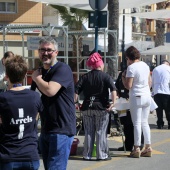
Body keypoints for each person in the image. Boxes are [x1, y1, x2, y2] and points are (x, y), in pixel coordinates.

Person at [31, 36, 76, 170]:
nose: (45, 53)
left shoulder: (62, 69)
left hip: (61, 130)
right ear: (38, 52)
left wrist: (37, 79)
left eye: (49, 50)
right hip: (46, 129)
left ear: (56, 52)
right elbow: (35, 101)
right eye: (42, 50)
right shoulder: (39, 73)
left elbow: (50, 90)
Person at [0, 55, 42, 170]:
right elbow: (37, 117)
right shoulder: (35, 96)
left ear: (7, 76)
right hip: (30, 155)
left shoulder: (3, 98)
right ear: (24, 75)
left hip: (9, 155)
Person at [74, 52, 117, 161]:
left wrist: (77, 103)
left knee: (88, 131)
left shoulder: (85, 77)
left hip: (87, 107)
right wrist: (113, 103)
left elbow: (76, 90)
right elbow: (113, 90)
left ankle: (86, 155)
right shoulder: (106, 76)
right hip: (101, 107)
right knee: (100, 131)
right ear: (100, 64)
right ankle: (101, 155)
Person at [122, 46, 152, 158]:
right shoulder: (145, 65)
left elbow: (128, 86)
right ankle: (148, 147)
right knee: (145, 122)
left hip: (137, 96)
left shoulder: (131, 68)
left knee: (137, 123)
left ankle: (136, 148)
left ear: (128, 57)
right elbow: (150, 82)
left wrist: (123, 77)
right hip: (147, 95)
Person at [115, 69, 144, 151]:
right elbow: (117, 87)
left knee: (136, 123)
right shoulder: (121, 75)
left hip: (134, 102)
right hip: (122, 103)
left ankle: (139, 144)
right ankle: (128, 145)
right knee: (125, 124)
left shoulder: (135, 74)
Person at [152, 60, 170, 129]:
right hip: (166, 91)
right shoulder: (168, 68)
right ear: (167, 64)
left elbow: (152, 80)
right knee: (168, 109)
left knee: (158, 110)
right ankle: (169, 124)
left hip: (157, 91)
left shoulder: (155, 69)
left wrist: (153, 90)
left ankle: (160, 124)